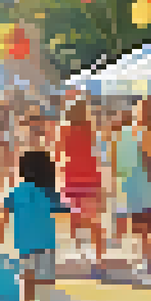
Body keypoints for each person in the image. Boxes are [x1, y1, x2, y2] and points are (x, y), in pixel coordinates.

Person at [0, 150, 67, 301]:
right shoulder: (50, 193)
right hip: (47, 246)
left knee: (26, 291)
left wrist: (1, 242)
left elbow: (4, 216)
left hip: (25, 248)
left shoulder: (18, 191)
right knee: (45, 291)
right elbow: (62, 213)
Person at [116, 98, 151, 284]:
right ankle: (145, 261)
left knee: (140, 227)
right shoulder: (147, 133)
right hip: (140, 185)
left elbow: (122, 162)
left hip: (134, 184)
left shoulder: (129, 133)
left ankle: (143, 260)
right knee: (143, 228)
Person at [57, 100, 106, 275]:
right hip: (91, 175)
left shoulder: (64, 130)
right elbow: (98, 152)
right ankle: (99, 258)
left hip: (72, 175)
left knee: (74, 216)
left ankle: (79, 251)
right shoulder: (91, 130)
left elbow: (58, 153)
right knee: (94, 218)